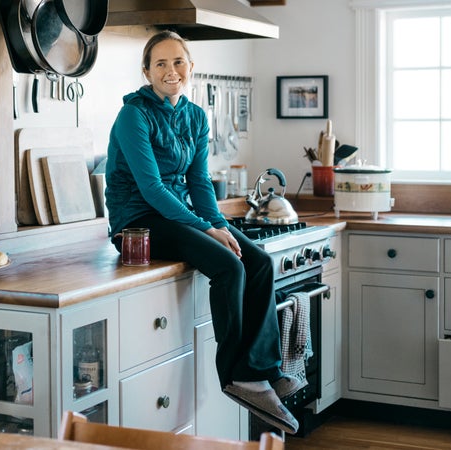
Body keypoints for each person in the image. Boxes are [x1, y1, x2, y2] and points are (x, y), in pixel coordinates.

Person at [105, 30, 304, 434]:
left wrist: (215, 222)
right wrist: (206, 229)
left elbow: (199, 182)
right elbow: (152, 189)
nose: (171, 70)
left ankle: (263, 368)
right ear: (146, 72)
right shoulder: (133, 116)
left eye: (178, 61)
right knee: (230, 266)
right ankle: (235, 374)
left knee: (260, 262)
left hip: (179, 215)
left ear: (191, 67)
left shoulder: (196, 116)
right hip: (138, 224)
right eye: (160, 63)